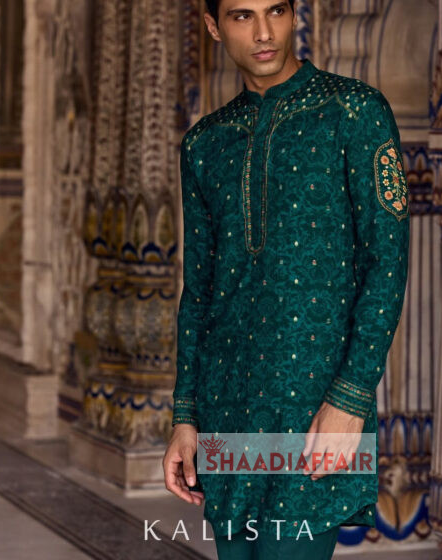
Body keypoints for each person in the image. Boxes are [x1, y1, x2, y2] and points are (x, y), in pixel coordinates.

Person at [162, 0, 410, 558]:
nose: (264, 32)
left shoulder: (355, 111)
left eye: (275, 10)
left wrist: (351, 398)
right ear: (213, 26)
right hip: (228, 408)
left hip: (316, 407)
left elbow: (388, 262)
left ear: (294, 13)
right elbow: (199, 292)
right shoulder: (205, 143)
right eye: (242, 16)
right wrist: (185, 417)